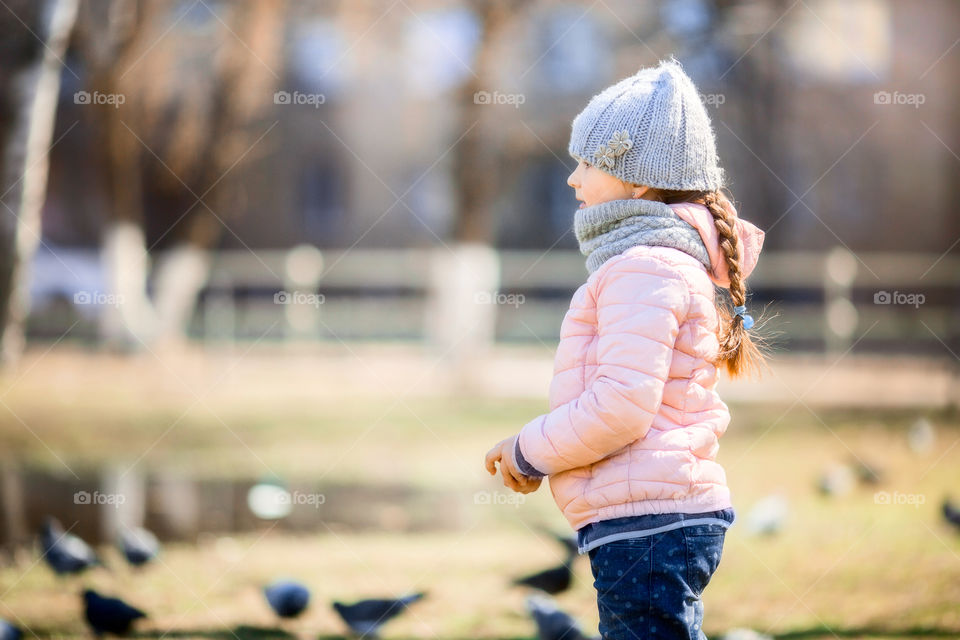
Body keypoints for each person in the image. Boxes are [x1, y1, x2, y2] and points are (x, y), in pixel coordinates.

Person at [484, 57, 767, 640]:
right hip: (651, 522)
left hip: (649, 527)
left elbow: (621, 405)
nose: (572, 178)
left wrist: (530, 449)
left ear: (637, 180)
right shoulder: (650, 265)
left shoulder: (645, 269)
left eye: (587, 162)